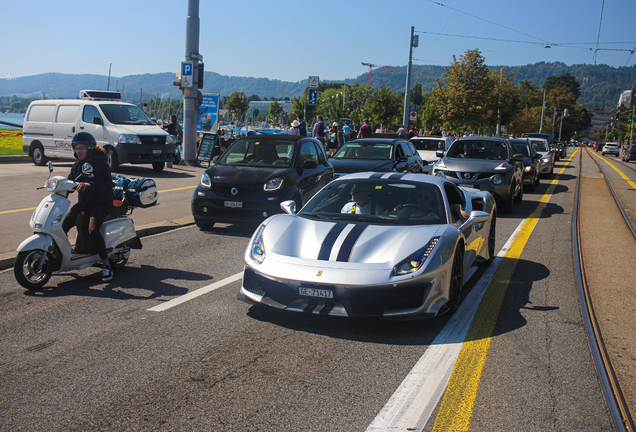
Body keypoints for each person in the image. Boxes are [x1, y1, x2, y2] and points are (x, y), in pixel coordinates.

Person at [61, 132, 114, 282]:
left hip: (101, 204)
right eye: (76, 148)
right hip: (84, 203)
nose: (79, 151)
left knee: (93, 230)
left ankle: (106, 265)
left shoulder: (101, 164)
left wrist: (90, 185)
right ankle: (63, 255)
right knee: (62, 225)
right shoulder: (78, 165)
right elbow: (70, 181)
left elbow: (106, 187)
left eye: (82, 148)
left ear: (90, 148)